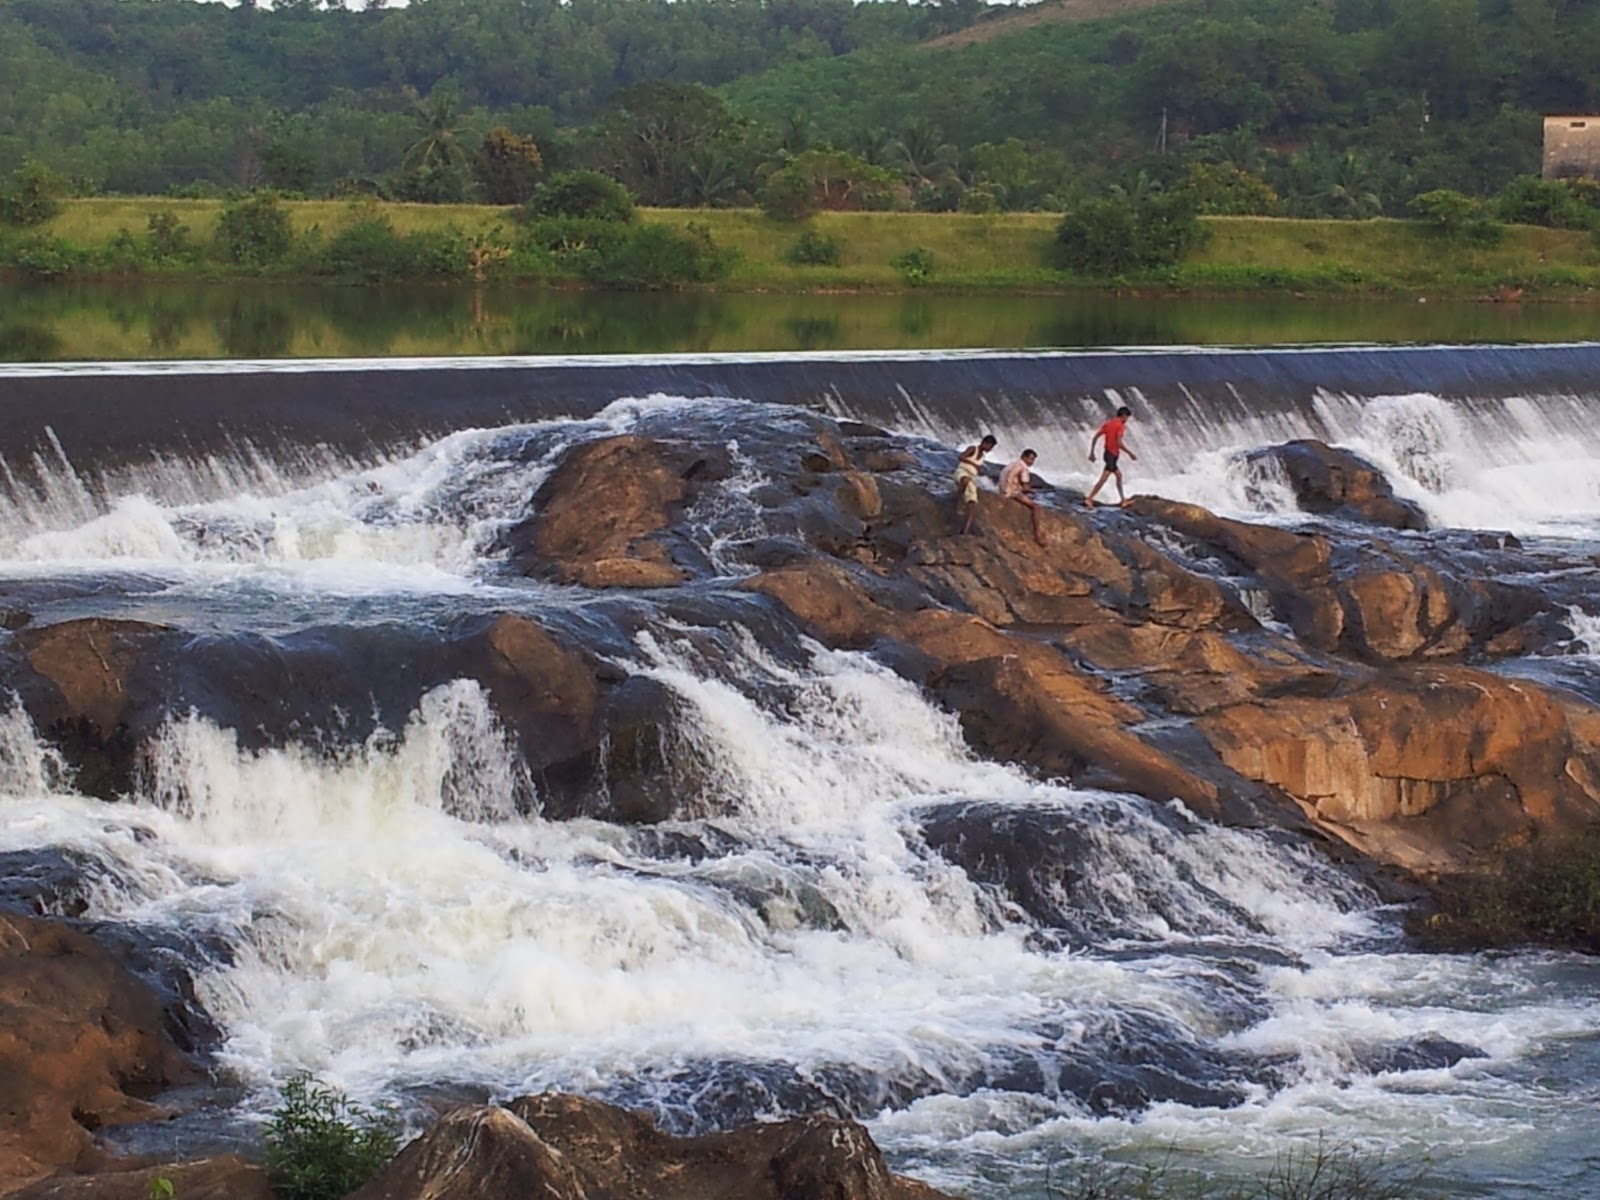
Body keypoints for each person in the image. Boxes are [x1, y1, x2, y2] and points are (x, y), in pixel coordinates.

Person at [1085, 405, 1137, 509]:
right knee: (1103, 479)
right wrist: (1130, 453)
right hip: (1112, 455)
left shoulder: (1108, 424)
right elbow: (1119, 443)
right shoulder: (1120, 426)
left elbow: (1095, 437)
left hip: (1108, 454)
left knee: (1119, 476)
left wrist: (1092, 453)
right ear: (1123, 416)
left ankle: (1123, 500)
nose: (1127, 420)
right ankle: (1089, 498)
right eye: (1127, 418)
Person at [999, 448, 1047, 546]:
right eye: (1030, 459)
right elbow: (1025, 487)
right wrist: (1033, 490)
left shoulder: (1012, 464)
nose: (1031, 462)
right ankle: (1037, 534)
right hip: (1012, 492)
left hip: (1002, 489)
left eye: (1033, 460)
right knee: (1036, 507)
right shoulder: (1023, 468)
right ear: (1023, 457)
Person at [953, 434, 997, 534]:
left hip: (971, 477)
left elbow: (976, 470)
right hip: (961, 472)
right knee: (965, 480)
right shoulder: (973, 449)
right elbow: (961, 456)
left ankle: (966, 529)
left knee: (972, 501)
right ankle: (958, 500)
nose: (990, 450)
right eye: (990, 447)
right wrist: (972, 464)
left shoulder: (983, 456)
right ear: (985, 443)